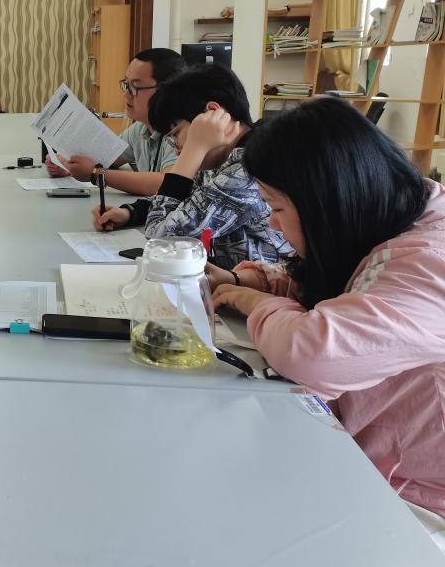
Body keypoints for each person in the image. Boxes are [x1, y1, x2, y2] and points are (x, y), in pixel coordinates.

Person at [208, 98, 445, 547]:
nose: (273, 226)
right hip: (372, 459)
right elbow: (353, 292)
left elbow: (312, 352)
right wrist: (252, 280)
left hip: (416, 502)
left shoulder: (429, 262)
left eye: (277, 208)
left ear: (327, 201)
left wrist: (256, 303)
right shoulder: (397, 214)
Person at [93, 64, 291, 270]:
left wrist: (193, 149)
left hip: (259, 287)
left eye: (176, 133)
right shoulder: (226, 158)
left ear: (211, 114)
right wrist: (131, 212)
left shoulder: (247, 171)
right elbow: (188, 200)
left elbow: (160, 239)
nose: (176, 147)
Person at [48, 48, 184, 195]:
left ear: (166, 91)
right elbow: (107, 157)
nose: (126, 94)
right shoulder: (140, 128)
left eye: (135, 87)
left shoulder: (182, 132)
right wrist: (67, 162)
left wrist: (97, 174)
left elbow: (166, 184)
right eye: (126, 84)